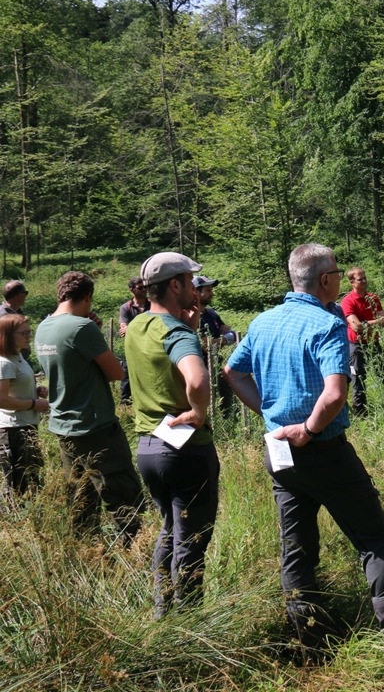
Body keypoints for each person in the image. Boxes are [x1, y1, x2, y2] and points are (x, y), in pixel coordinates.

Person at [224, 244, 384, 651]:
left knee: (296, 547)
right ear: (326, 279)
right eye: (337, 271)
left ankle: (309, 639)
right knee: (373, 538)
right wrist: (308, 430)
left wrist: (270, 414)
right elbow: (334, 394)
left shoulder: (262, 322)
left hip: (279, 452)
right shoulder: (327, 324)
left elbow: (233, 372)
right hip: (323, 450)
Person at [126, 252, 218, 618]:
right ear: (175, 285)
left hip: (149, 448)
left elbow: (161, 358)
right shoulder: (177, 333)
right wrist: (198, 413)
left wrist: (187, 328)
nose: (196, 288)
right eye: (190, 281)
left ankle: (162, 613)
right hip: (186, 451)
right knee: (192, 539)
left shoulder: (137, 326)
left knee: (169, 530)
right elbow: (197, 379)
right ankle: (189, 622)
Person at [34, 271, 145, 544]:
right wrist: (93, 330)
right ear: (87, 296)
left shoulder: (43, 327)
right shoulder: (82, 328)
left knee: (81, 497)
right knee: (122, 493)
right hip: (95, 426)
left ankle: (85, 550)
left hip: (63, 425)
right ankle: (134, 551)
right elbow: (116, 373)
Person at [0, 314, 48, 499]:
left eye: (29, 331)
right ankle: (14, 516)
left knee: (32, 480)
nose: (29, 336)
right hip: (12, 430)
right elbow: (2, 400)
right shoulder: (4, 362)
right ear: (7, 335)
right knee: (16, 485)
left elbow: (14, 390)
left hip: (25, 425)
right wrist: (34, 403)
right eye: (23, 333)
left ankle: (31, 514)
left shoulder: (18, 356)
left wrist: (34, 391)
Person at [340, 267, 384, 414]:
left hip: (373, 342)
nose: (364, 281)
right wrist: (373, 322)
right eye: (360, 279)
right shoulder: (348, 301)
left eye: (365, 278)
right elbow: (356, 327)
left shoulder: (372, 298)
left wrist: (365, 323)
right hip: (357, 346)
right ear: (352, 282)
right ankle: (361, 413)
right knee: (359, 381)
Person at [193, 276, 237, 417]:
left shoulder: (211, 314)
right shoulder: (191, 316)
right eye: (207, 290)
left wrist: (220, 339)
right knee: (206, 401)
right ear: (196, 292)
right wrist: (223, 339)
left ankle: (228, 419)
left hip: (216, 363)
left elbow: (232, 334)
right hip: (200, 366)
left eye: (211, 290)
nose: (211, 293)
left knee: (226, 393)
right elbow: (205, 344)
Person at [118, 277, 149, 404]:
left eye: (145, 287)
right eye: (140, 288)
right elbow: (123, 329)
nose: (144, 290)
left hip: (149, 346)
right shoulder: (126, 308)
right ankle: (125, 404)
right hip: (133, 348)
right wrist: (145, 327)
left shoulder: (153, 305)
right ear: (132, 290)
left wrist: (131, 328)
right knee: (127, 378)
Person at [2, 281, 31, 361]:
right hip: (10, 361)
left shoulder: (18, 312)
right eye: (25, 293)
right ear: (19, 295)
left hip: (20, 360)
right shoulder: (3, 316)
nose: (26, 296)